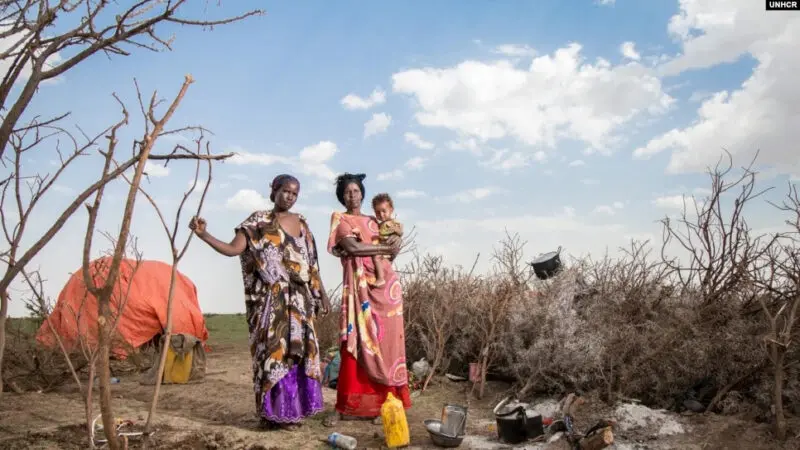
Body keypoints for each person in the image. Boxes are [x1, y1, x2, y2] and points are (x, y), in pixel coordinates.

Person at [188, 174, 331, 430]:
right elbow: (233, 249)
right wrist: (204, 234)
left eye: (294, 193)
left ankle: (293, 412)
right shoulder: (257, 222)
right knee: (273, 356)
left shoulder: (302, 224)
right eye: (285, 191)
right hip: (271, 302)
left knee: (299, 355)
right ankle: (273, 414)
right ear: (274, 191)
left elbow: (311, 265)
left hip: (301, 303)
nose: (290, 197)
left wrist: (322, 294)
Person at [324, 173, 411, 427]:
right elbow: (353, 248)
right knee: (355, 342)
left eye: (356, 191)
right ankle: (345, 406)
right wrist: (385, 248)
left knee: (385, 344)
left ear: (362, 193)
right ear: (342, 196)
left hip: (386, 290)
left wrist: (394, 244)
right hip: (358, 289)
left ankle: (384, 404)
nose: (352, 195)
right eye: (347, 192)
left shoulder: (375, 220)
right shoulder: (340, 219)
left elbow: (392, 252)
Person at [368, 193, 404, 287]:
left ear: (391, 210)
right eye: (378, 212)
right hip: (383, 248)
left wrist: (395, 231)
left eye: (384, 211)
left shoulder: (393, 223)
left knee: (376, 257)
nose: (381, 215)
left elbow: (400, 231)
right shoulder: (380, 225)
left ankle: (381, 278)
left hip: (387, 249)